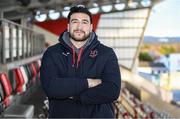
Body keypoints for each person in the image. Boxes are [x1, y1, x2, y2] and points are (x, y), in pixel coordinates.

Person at [40, 5, 121, 118]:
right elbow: (51, 87)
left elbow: (112, 90)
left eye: (84, 22)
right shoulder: (52, 53)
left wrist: (75, 96)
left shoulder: (106, 53)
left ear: (91, 27)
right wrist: (88, 83)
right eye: (75, 22)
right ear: (68, 26)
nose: (79, 27)